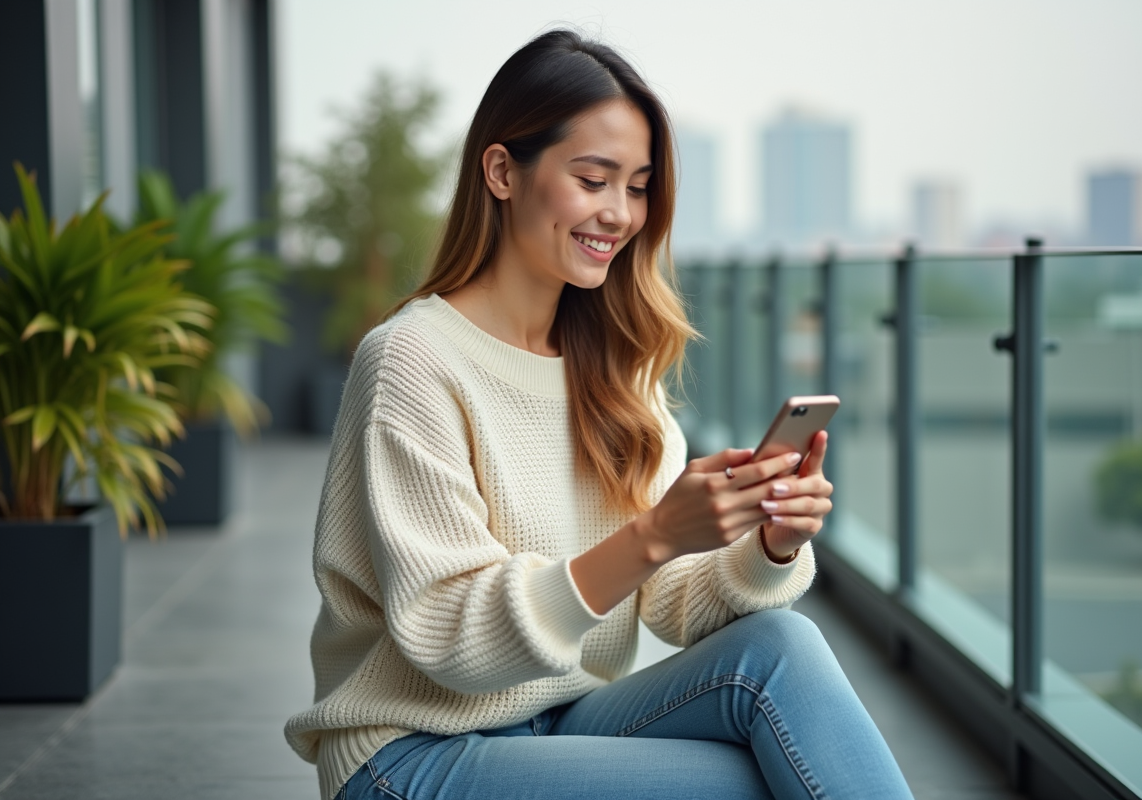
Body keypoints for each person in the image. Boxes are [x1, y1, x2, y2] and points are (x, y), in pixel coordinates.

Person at [285, 29, 914, 800]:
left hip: (560, 716)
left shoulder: (611, 367)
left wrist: (769, 546)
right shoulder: (412, 361)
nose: (620, 214)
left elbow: (675, 605)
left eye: (639, 186)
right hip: (410, 754)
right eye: (594, 179)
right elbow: (451, 637)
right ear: (502, 171)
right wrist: (654, 535)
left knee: (782, 646)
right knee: (767, 777)